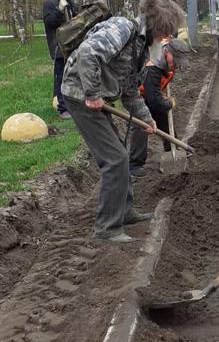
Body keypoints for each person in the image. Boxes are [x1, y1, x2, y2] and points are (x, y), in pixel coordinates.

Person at [61, 13, 156, 243]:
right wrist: (93, 95)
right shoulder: (123, 29)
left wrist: (147, 119)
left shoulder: (139, 45)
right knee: (115, 159)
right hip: (79, 94)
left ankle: (125, 211)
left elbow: (130, 90)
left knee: (119, 153)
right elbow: (87, 53)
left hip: (97, 96)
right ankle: (107, 228)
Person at [129, 0, 190, 177]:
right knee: (142, 125)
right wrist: (168, 103)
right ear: (167, 53)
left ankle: (173, 151)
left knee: (163, 120)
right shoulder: (153, 65)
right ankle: (134, 166)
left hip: (152, 92)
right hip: (138, 95)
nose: (176, 65)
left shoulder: (168, 54)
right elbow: (154, 99)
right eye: (175, 61)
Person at [43, 0, 77, 120]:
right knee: (61, 77)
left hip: (72, 46)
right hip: (58, 47)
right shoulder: (49, 3)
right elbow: (49, 22)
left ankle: (73, 105)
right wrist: (59, 9)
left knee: (74, 76)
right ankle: (62, 108)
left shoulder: (71, 3)